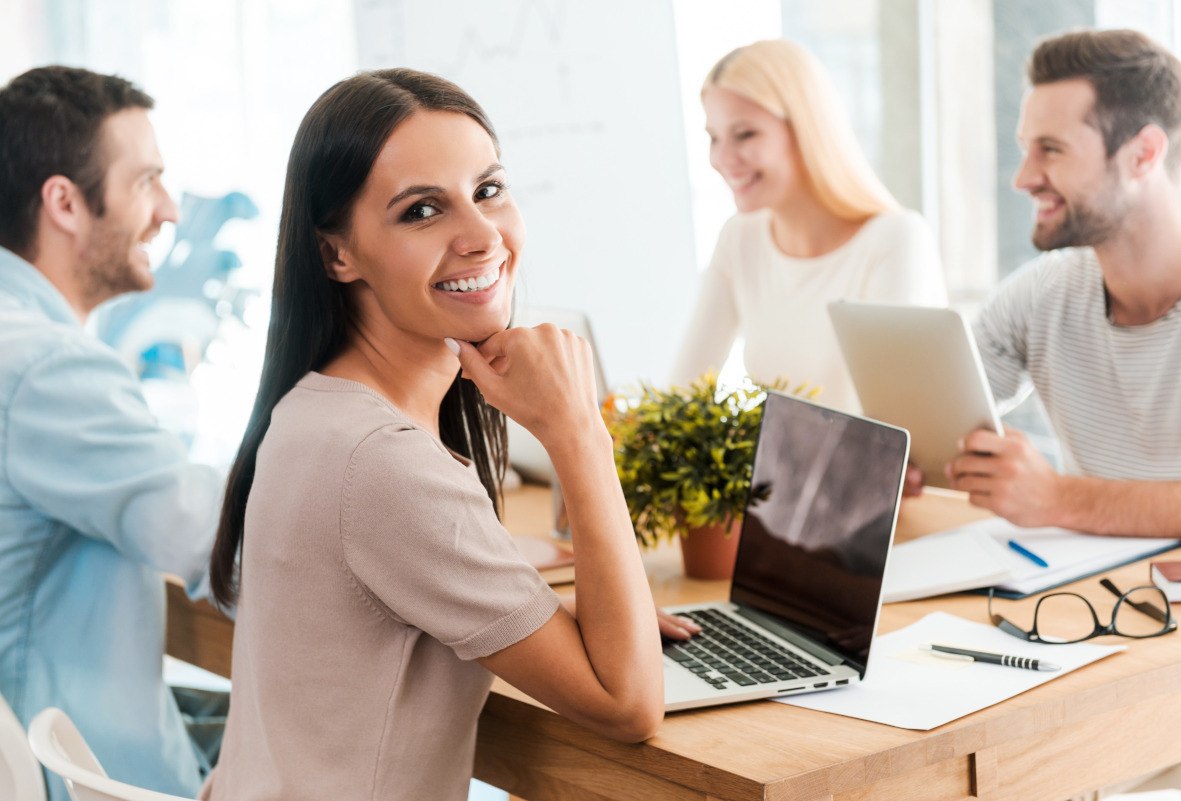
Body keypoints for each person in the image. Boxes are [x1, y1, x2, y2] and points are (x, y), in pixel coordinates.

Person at [203, 68, 681, 801]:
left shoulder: (313, 408)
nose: (482, 235)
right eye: (423, 210)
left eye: (488, 190)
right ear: (338, 253)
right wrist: (578, 429)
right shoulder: (383, 462)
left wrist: (571, 619)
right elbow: (628, 705)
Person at [0, 66, 225, 799]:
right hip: (69, 769)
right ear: (64, 202)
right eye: (145, 182)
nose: (166, 210)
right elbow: (222, 545)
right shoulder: (49, 368)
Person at [948, 29, 1181, 544]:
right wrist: (919, 456)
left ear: (1144, 154)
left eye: (1051, 150)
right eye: (1026, 149)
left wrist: (1058, 498)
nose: (1023, 178)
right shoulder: (1041, 295)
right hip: (1080, 599)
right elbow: (942, 420)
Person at [672, 39, 948, 414]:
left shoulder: (895, 240)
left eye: (745, 134)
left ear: (806, 129)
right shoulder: (740, 237)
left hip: (868, 474)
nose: (722, 158)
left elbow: (902, 427)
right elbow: (680, 396)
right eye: (713, 138)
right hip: (780, 473)